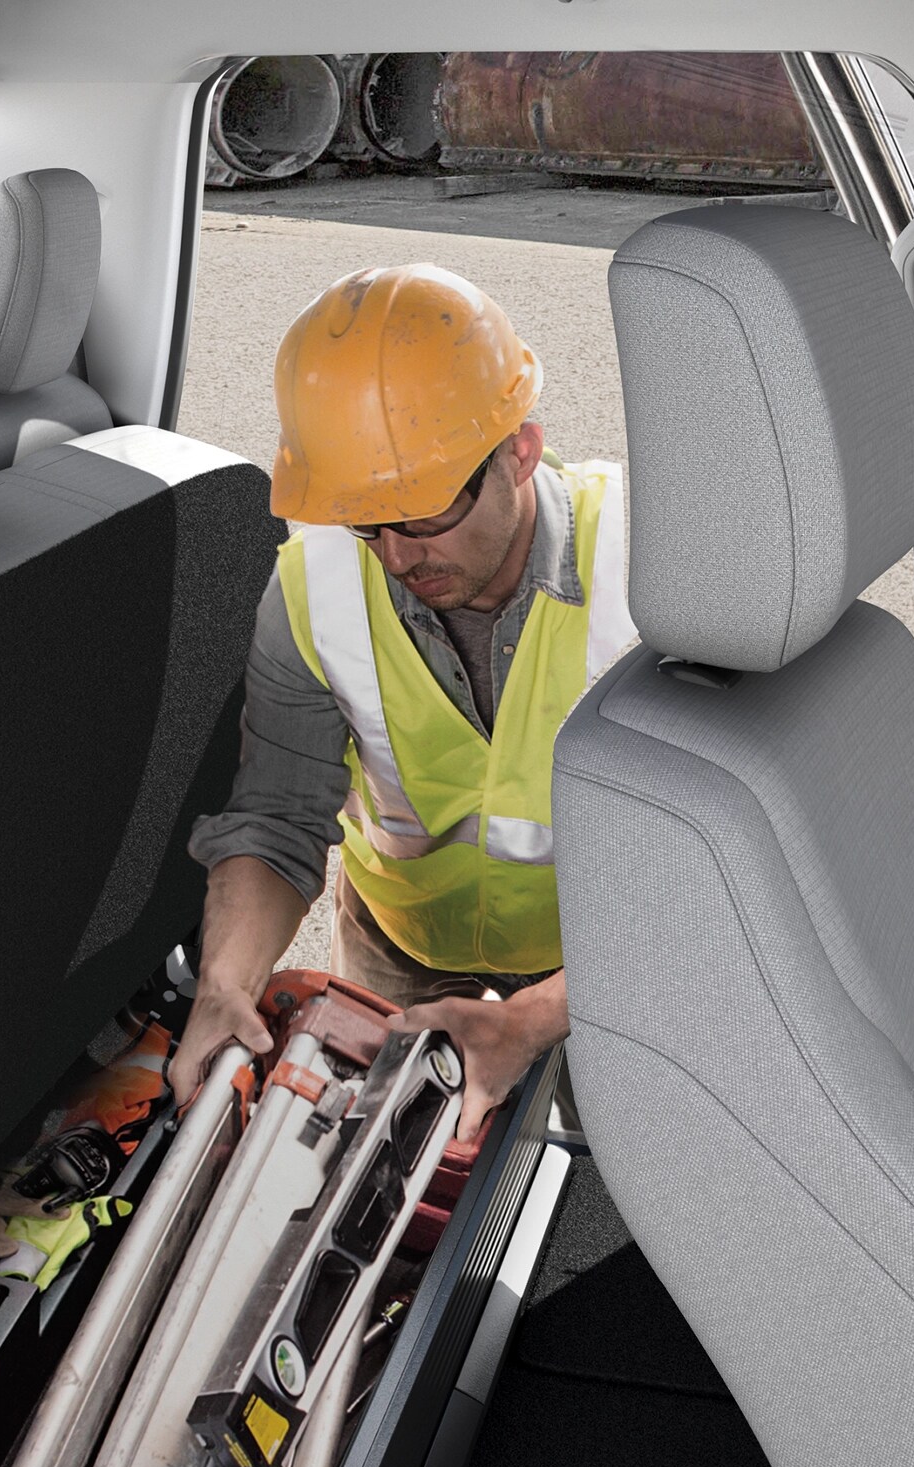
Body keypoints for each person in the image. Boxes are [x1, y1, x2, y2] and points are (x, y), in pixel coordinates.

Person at [169, 263, 634, 1120]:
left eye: (422, 515)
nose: (395, 557)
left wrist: (538, 1015)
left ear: (520, 453)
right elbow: (277, 817)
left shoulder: (645, 573)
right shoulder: (314, 588)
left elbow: (711, 882)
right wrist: (226, 985)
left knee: (596, 1165)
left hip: (602, 957)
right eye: (363, 519)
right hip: (399, 937)